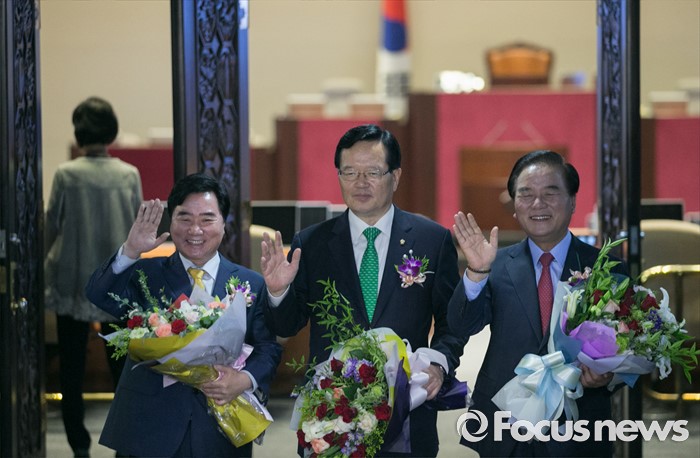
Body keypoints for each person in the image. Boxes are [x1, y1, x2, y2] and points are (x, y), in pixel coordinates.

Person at [260, 124, 467, 457]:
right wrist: (277, 292)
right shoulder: (311, 244)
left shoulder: (432, 239)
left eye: (372, 172)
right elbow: (287, 325)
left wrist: (438, 364)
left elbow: (452, 322)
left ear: (395, 176)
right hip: (331, 415)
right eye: (349, 172)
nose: (360, 182)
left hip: (408, 411)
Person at [85, 173, 282, 457]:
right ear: (172, 221)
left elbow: (268, 349)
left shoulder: (250, 284)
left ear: (224, 224)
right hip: (148, 425)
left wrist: (243, 380)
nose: (195, 230)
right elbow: (97, 294)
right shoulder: (146, 273)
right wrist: (131, 251)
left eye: (207, 219)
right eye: (185, 218)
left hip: (218, 427)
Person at [447, 150, 627, 457]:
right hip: (504, 423)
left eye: (550, 193)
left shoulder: (605, 267)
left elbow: (628, 346)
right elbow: (462, 324)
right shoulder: (495, 265)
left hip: (580, 424)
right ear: (515, 206)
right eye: (526, 194)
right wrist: (476, 271)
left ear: (572, 201)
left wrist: (608, 376)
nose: (537, 203)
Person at [44, 96, 142, 457]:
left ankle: (79, 446)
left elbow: (52, 225)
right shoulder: (128, 174)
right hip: (117, 283)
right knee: (123, 373)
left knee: (71, 370)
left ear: (79, 132)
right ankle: (123, 445)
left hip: (72, 281)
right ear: (111, 131)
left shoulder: (66, 174)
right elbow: (137, 228)